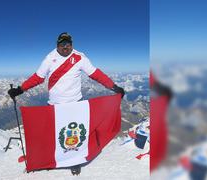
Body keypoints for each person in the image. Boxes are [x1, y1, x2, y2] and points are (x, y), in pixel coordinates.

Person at [8, 32, 125, 175]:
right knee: (48, 134)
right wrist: (20, 90)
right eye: (62, 44)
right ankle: (41, 158)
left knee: (74, 135)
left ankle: (74, 162)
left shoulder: (80, 57)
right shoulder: (50, 58)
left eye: (68, 44)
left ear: (72, 44)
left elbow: (95, 74)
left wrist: (114, 87)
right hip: (54, 105)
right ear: (57, 45)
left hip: (75, 104)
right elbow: (38, 77)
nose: (65, 47)